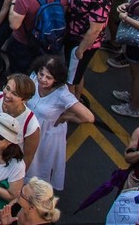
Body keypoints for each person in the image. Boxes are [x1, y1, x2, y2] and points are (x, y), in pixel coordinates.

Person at [26, 55, 93, 191]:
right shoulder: (33, 78)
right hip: (26, 127)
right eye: (41, 74)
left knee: (37, 165)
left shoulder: (63, 95)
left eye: (48, 77)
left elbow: (89, 117)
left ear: (56, 79)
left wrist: (65, 117)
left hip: (45, 136)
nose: (42, 79)